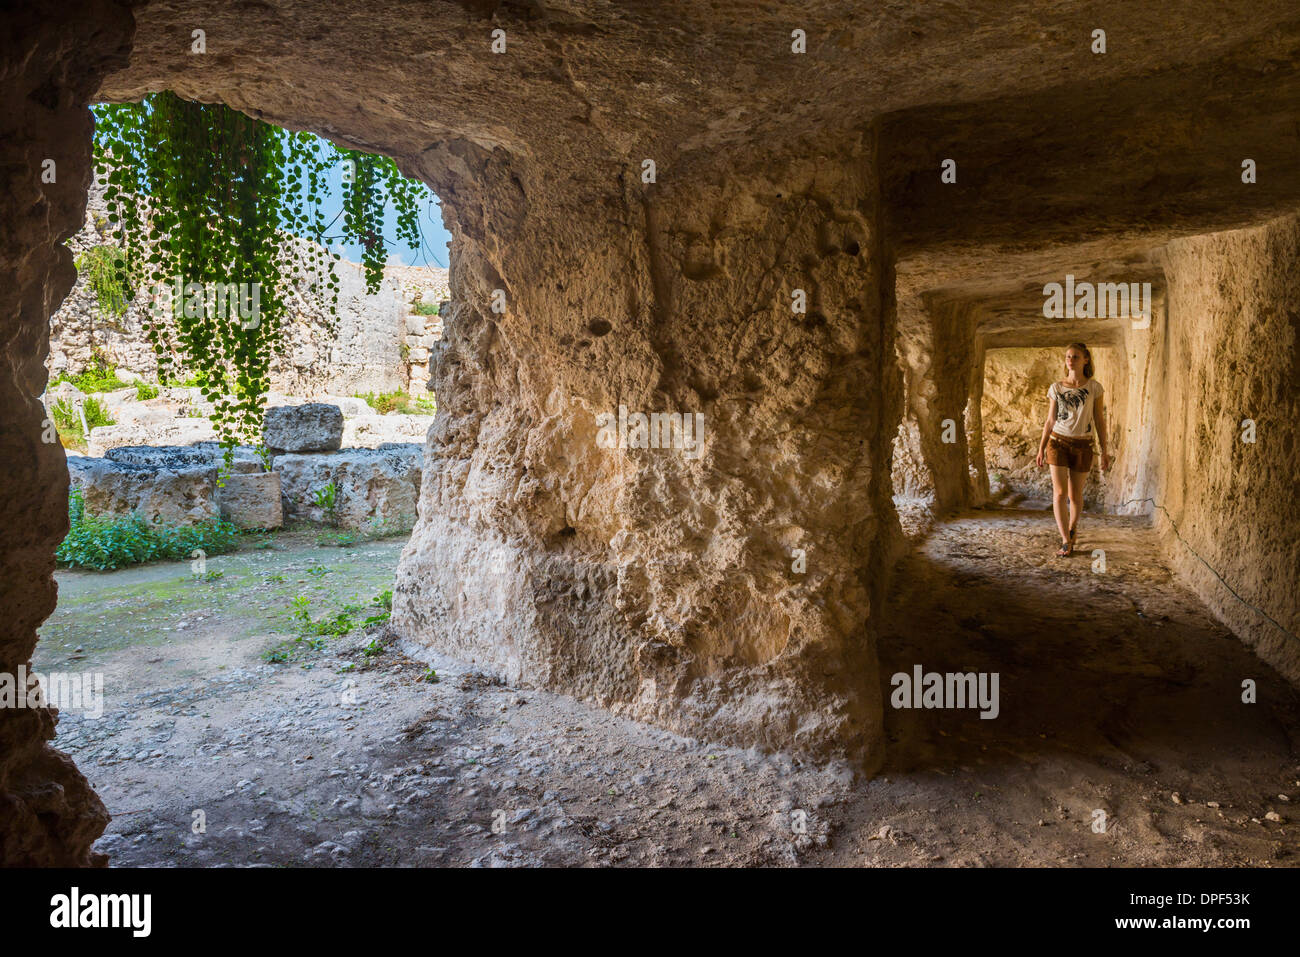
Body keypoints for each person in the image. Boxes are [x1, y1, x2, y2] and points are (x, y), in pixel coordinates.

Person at [1035, 342, 1110, 557]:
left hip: (1083, 444)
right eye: (1068, 356)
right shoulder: (1056, 388)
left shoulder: (1094, 387)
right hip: (1057, 441)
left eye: (1075, 356)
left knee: (1076, 495)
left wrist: (1104, 450)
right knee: (1060, 492)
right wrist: (1041, 448)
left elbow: (1099, 420)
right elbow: (1050, 421)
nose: (1070, 359)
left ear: (1085, 359)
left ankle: (1073, 528)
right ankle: (1065, 540)